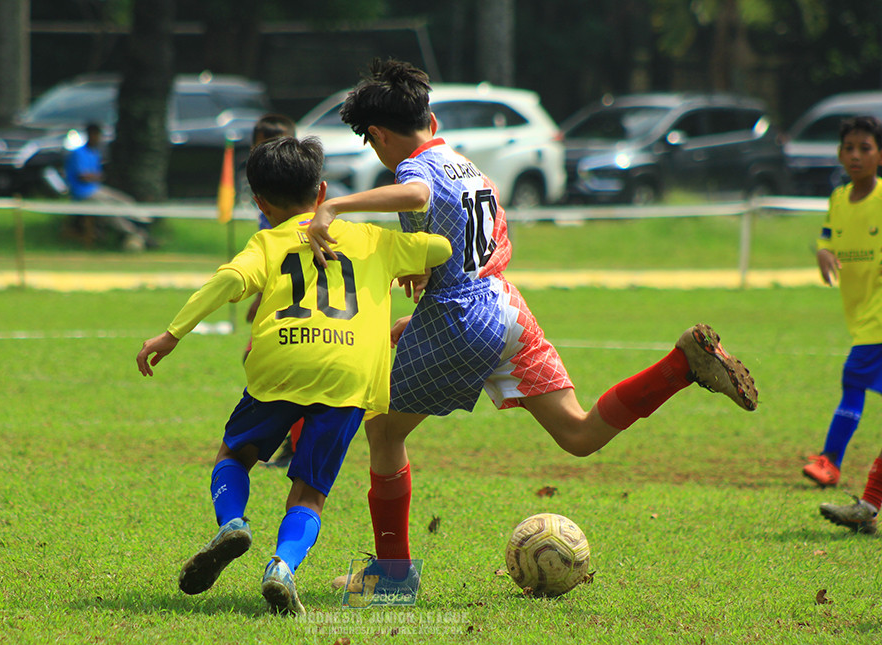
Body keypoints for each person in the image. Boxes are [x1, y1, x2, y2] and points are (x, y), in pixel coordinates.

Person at [304, 59, 759, 593]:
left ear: (378, 134)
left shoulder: (414, 170)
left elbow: (418, 196)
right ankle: (680, 366)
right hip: (504, 308)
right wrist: (427, 299)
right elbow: (492, 242)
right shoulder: (467, 166)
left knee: (381, 429)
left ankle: (393, 579)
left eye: (371, 144)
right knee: (579, 434)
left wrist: (335, 206)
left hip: (462, 318)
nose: (377, 155)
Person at [135, 135, 452, 615]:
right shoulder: (372, 239)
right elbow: (444, 247)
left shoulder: (267, 241)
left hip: (279, 365)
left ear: (260, 203)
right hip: (348, 375)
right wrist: (421, 265)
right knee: (309, 491)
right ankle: (282, 565)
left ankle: (232, 524)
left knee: (233, 454)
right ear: (323, 192)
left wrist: (171, 335)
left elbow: (226, 282)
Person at [810, 116, 882, 534]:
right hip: (861, 316)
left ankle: (829, 461)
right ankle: (869, 508)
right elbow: (826, 234)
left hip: (878, 318)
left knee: (853, 376)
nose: (855, 155)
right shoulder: (838, 198)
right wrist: (823, 252)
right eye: (849, 147)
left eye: (865, 147)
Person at [242, 113, 301, 469]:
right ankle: (290, 440)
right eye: (263, 144)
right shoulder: (266, 187)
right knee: (260, 359)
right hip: (277, 288)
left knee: (274, 361)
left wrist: (262, 295)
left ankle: (290, 441)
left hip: (294, 292)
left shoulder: (291, 188)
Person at [64, 122, 153, 251]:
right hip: (82, 193)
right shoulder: (78, 153)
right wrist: (95, 176)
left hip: (95, 189)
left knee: (123, 200)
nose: (97, 138)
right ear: (90, 135)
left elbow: (96, 176)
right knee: (110, 210)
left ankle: (143, 224)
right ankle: (133, 233)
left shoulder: (94, 153)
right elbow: (83, 177)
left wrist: (95, 177)